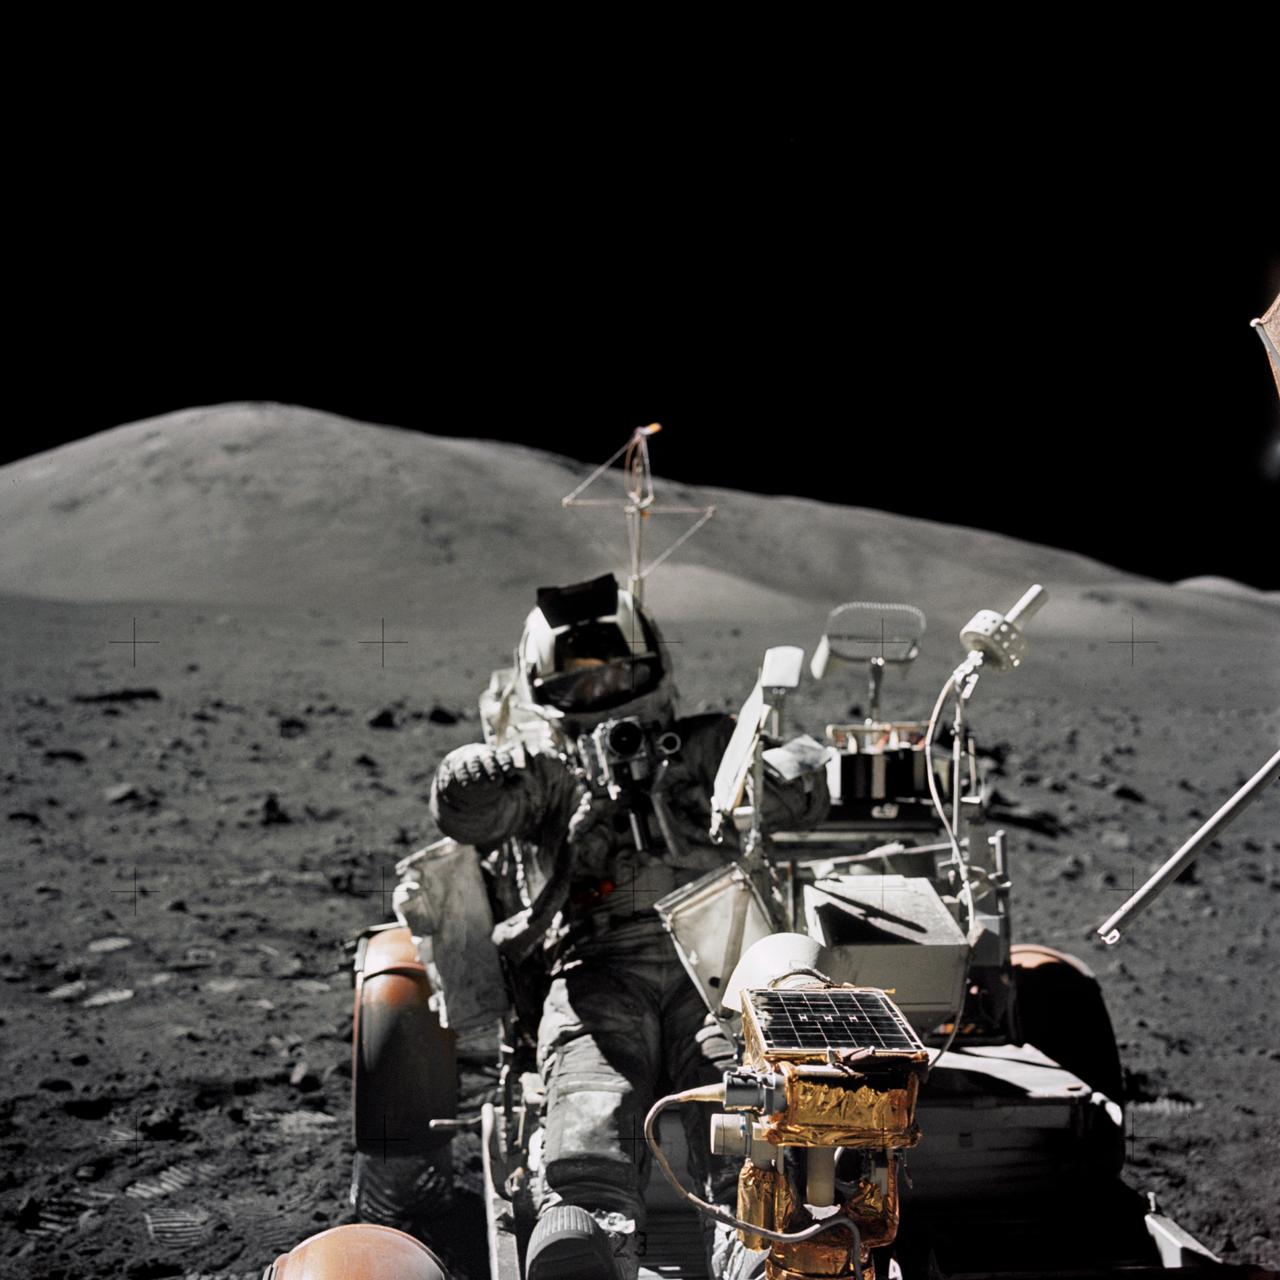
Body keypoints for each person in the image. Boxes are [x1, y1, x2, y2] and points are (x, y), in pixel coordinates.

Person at [430, 573, 829, 1280]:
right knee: (590, 1082)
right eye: (580, 688)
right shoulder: (548, 774)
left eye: (615, 677)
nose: (601, 698)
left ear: (650, 672)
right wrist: (471, 772)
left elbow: (802, 786)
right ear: (544, 693)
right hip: (599, 967)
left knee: (733, 1089)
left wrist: (777, 774)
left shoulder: (710, 747)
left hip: (718, 971)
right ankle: (590, 1231)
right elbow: (468, 812)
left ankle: (752, 1243)